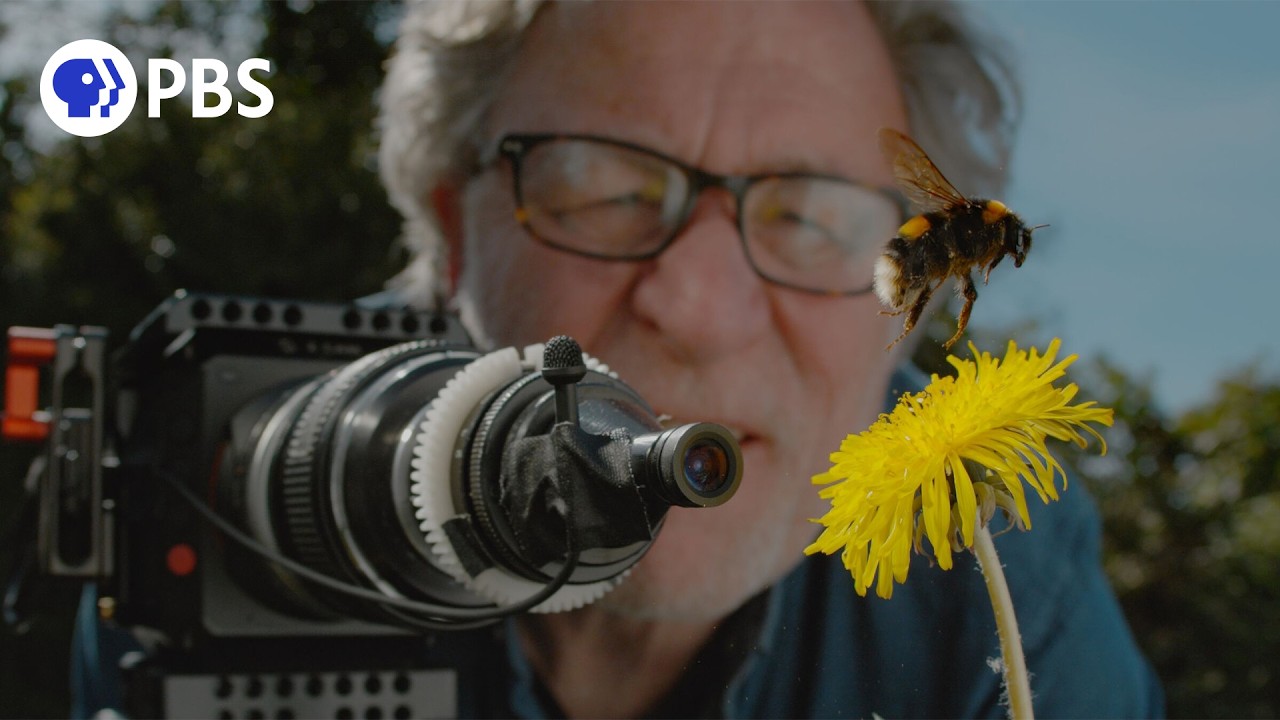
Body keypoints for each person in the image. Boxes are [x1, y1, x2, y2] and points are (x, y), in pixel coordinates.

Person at [375, 1, 1164, 718]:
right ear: (456, 237)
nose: (701, 312)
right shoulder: (263, 436)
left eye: (813, 217)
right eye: (604, 188)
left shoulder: (1006, 582)